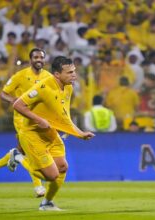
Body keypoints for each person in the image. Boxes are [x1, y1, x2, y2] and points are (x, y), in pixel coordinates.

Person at [13, 56, 95, 211]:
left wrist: (79, 133)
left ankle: (47, 203)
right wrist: (38, 119)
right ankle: (17, 157)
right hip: (32, 134)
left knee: (62, 167)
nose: (74, 75)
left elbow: (64, 115)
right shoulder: (43, 88)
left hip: (50, 133)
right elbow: (18, 105)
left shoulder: (68, 87)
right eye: (69, 72)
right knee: (51, 175)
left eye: (74, 71)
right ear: (57, 74)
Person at [0, 48, 51, 198]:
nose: (39, 60)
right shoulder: (20, 76)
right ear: (30, 60)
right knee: (32, 151)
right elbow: (3, 94)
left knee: (21, 151)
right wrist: (14, 100)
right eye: (36, 57)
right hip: (21, 119)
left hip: (37, 119)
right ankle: (38, 186)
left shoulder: (48, 77)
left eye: (41, 57)